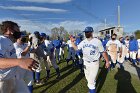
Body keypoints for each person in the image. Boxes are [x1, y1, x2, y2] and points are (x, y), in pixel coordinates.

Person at [0, 21, 38, 93]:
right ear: (9, 29)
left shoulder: (9, 41)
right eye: (17, 30)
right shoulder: (1, 40)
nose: (19, 32)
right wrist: (19, 61)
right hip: (3, 81)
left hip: (13, 78)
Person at [70, 27, 110, 93]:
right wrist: (72, 43)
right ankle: (91, 89)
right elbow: (77, 48)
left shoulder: (97, 41)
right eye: (85, 32)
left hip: (94, 63)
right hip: (86, 63)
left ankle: (92, 90)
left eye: (88, 32)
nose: (86, 33)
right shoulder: (83, 42)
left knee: (91, 82)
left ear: (91, 32)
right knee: (88, 79)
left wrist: (107, 61)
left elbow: (103, 52)